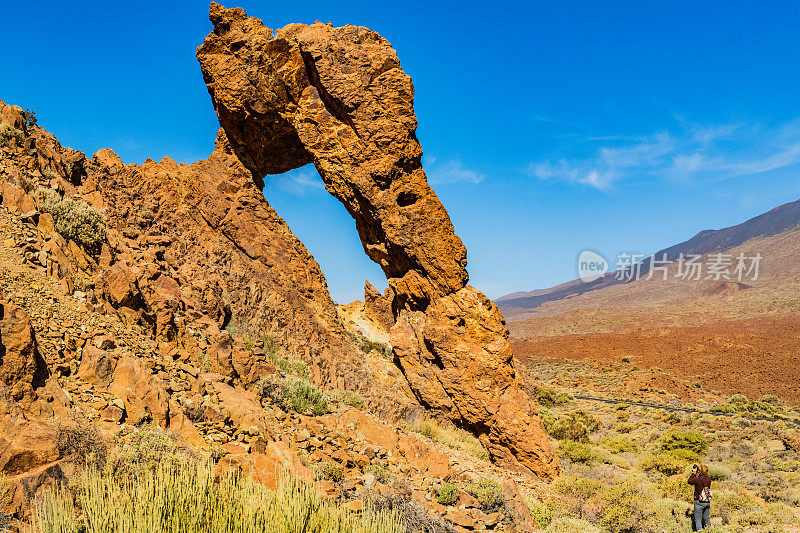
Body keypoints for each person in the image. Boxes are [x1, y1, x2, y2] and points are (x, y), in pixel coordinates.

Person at [688, 463, 712, 529]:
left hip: (699, 502)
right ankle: (710, 530)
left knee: (698, 520)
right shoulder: (709, 479)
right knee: (707, 519)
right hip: (707, 501)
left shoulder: (697, 479)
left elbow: (689, 481)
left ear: (700, 471)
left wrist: (693, 473)